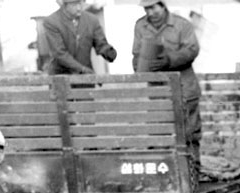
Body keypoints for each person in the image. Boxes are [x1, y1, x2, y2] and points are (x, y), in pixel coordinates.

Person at [133, 0, 202, 164]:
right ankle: (166, 171)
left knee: (189, 132)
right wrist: (140, 69)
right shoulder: (140, 26)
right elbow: (136, 53)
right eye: (146, 8)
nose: (150, 13)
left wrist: (170, 60)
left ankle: (193, 168)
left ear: (163, 6)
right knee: (159, 132)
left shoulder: (182, 25)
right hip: (157, 91)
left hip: (184, 88)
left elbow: (192, 50)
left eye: (153, 8)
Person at [40, 0, 117, 75]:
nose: (79, 8)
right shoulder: (51, 22)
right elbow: (59, 53)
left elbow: (101, 44)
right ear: (65, 5)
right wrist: (82, 69)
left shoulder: (91, 20)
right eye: (74, 4)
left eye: (80, 3)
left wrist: (108, 52)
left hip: (85, 79)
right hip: (61, 77)